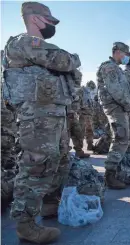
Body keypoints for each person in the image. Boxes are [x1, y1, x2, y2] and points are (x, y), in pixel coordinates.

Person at [3, 2, 81, 243]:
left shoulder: (35, 48)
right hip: (36, 117)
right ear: (36, 19)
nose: (52, 26)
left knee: (58, 161)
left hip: (52, 115)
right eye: (50, 21)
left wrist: (69, 65)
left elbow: (72, 76)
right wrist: (72, 59)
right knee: (36, 166)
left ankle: (48, 205)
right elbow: (66, 62)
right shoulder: (23, 42)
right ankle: (25, 225)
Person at [96, 42, 130, 189]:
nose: (127, 57)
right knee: (121, 137)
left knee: (123, 137)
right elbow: (115, 90)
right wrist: (128, 104)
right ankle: (109, 174)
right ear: (118, 52)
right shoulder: (109, 67)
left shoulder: (116, 69)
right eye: (126, 54)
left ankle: (114, 170)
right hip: (114, 106)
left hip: (119, 106)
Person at [79, 80, 95, 151]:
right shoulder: (82, 90)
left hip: (89, 114)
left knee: (90, 130)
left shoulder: (89, 92)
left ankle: (90, 145)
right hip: (82, 114)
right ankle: (79, 148)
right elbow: (78, 102)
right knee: (81, 131)